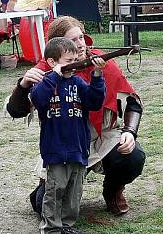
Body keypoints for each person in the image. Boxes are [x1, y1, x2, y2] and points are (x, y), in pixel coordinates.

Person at [6, 16, 145, 217]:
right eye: (73, 40)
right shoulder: (46, 70)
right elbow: (16, 110)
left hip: (101, 139)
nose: (80, 45)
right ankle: (45, 188)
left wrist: (130, 133)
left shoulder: (100, 63)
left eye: (81, 38)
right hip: (62, 143)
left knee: (132, 157)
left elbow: (132, 102)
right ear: (57, 47)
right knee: (44, 206)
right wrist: (23, 85)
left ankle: (113, 190)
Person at [30, 37, 105, 234]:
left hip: (78, 148)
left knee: (73, 193)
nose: (74, 64)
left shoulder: (78, 82)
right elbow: (38, 99)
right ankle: (52, 229)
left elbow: (95, 102)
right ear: (52, 63)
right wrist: (54, 76)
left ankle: (67, 226)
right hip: (55, 149)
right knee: (54, 191)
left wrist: (97, 75)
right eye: (69, 61)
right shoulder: (45, 82)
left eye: (75, 59)